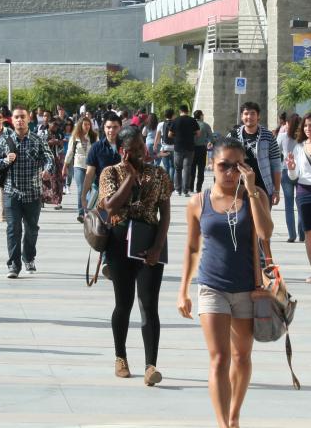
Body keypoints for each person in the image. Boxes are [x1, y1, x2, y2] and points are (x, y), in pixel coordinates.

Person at [178, 137, 273, 428]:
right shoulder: (198, 202)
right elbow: (193, 248)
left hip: (248, 287)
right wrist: (183, 290)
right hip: (212, 286)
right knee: (219, 358)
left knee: (241, 356)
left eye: (237, 166)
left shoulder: (254, 195)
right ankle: (223, 424)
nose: (230, 172)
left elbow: (265, 233)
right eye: (224, 165)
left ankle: (234, 416)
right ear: (212, 165)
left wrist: (253, 192)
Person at [99, 126, 173, 386]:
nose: (142, 152)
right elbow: (110, 206)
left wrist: (157, 246)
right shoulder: (111, 173)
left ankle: (151, 366)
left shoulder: (159, 174)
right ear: (123, 151)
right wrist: (130, 178)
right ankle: (120, 356)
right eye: (135, 149)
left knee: (149, 305)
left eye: (142, 146)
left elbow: (165, 213)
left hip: (148, 241)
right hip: (119, 244)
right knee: (124, 303)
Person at [0, 105, 55, 279]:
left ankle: (29, 257)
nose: (19, 120)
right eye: (16, 117)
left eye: (23, 117)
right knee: (13, 229)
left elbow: (49, 158)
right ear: (12, 120)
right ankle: (13, 264)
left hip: (33, 193)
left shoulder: (37, 139)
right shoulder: (5, 141)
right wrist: (5, 160)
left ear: (28, 119)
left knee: (32, 229)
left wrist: (47, 169)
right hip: (12, 193)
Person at [228, 102, 282, 206]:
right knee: (242, 220)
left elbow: (276, 164)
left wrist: (276, 191)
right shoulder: (233, 135)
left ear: (258, 116)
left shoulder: (268, 136)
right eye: (246, 113)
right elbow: (224, 160)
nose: (249, 117)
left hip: (263, 187)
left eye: (253, 113)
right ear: (241, 116)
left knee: (262, 220)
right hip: (239, 187)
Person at [286, 112, 311, 283]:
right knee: (309, 234)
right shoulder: (299, 147)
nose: (309, 129)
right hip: (304, 191)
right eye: (307, 126)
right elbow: (294, 176)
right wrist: (291, 168)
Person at [81, 112, 122, 212]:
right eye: (108, 127)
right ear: (104, 128)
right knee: (98, 225)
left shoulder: (127, 146)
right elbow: (89, 174)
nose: (111, 130)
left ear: (120, 127)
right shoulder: (96, 147)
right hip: (101, 193)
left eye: (115, 127)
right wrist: (83, 196)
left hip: (122, 193)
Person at [62, 117, 98, 222]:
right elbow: (69, 152)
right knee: (81, 189)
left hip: (91, 167)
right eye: (85, 124)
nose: (87, 126)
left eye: (88, 124)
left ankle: (89, 211)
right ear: (80, 125)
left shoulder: (94, 136)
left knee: (92, 189)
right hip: (78, 165)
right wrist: (65, 166)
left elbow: (98, 150)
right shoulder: (75, 137)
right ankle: (81, 213)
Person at [277, 113, 304, 242]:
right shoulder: (302, 138)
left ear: (287, 123)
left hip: (285, 170)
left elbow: (276, 154)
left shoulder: (282, 136)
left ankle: (292, 235)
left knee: (288, 205)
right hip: (300, 172)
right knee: (300, 204)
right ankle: (302, 233)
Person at [170, 105, 200, 197]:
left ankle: (178, 190)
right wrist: (192, 135)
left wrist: (177, 137)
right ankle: (186, 191)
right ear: (188, 111)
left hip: (178, 147)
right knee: (187, 169)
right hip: (190, 147)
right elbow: (198, 134)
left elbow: (169, 134)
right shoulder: (192, 120)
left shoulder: (175, 120)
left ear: (180, 111)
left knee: (178, 169)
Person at [42, 120, 64, 210]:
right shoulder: (44, 134)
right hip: (45, 159)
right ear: (49, 125)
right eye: (54, 125)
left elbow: (61, 146)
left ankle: (57, 201)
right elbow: (41, 145)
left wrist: (59, 143)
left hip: (56, 159)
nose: (55, 127)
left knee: (57, 180)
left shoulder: (58, 134)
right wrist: (50, 142)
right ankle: (43, 199)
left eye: (56, 126)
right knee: (45, 180)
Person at [190, 110, 212, 193]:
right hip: (202, 149)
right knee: (201, 169)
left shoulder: (190, 124)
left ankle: (190, 187)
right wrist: (210, 142)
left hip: (191, 149)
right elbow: (211, 137)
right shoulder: (205, 125)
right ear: (201, 116)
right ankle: (198, 188)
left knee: (191, 169)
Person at [154, 109, 175, 181]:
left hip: (164, 148)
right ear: (173, 115)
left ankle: (166, 182)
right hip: (174, 148)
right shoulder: (175, 123)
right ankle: (171, 182)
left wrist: (155, 145)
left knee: (166, 167)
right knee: (173, 166)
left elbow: (157, 136)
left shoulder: (161, 124)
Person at [62, 118, 74, 194]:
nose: (68, 126)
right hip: (62, 153)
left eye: (70, 124)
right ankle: (63, 186)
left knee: (70, 172)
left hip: (71, 154)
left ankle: (68, 186)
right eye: (67, 124)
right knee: (63, 171)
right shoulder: (61, 133)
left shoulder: (74, 134)